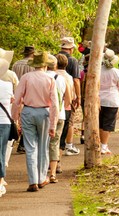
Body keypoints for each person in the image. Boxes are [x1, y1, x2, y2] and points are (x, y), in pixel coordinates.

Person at [11, 51, 59, 192]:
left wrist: (15, 118)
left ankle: (32, 181)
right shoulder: (50, 79)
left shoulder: (26, 77)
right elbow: (55, 104)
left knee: (30, 147)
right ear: (45, 65)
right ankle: (41, 178)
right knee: (43, 145)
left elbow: (17, 99)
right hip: (44, 112)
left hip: (28, 111)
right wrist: (53, 124)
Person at [46, 54, 71, 183]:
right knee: (55, 143)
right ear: (55, 65)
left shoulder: (42, 77)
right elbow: (68, 99)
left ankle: (42, 171)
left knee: (43, 143)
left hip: (44, 114)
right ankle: (53, 173)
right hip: (60, 115)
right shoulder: (61, 79)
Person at [100, 49, 119, 154]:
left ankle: (101, 144)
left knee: (100, 123)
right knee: (108, 124)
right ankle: (104, 145)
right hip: (112, 99)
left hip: (99, 99)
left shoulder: (98, 70)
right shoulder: (115, 72)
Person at [58, 37, 81, 155]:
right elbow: (76, 80)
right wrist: (78, 96)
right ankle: (68, 145)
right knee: (69, 120)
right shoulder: (72, 60)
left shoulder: (54, 58)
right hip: (68, 94)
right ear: (71, 49)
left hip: (55, 94)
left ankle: (58, 144)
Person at [12, 46, 35, 154]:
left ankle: (13, 140)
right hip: (28, 95)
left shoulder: (16, 64)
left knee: (16, 118)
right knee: (27, 120)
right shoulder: (33, 65)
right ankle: (22, 144)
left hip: (16, 93)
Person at [55, 53, 74, 173]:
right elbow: (70, 96)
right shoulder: (68, 77)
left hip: (51, 109)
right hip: (65, 109)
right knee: (61, 137)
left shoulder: (50, 75)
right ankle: (58, 162)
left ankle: (50, 161)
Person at [0, 59, 13, 197]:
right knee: (1, 152)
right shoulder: (8, 85)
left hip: (3, 121)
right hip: (4, 121)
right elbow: (12, 100)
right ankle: (1, 180)